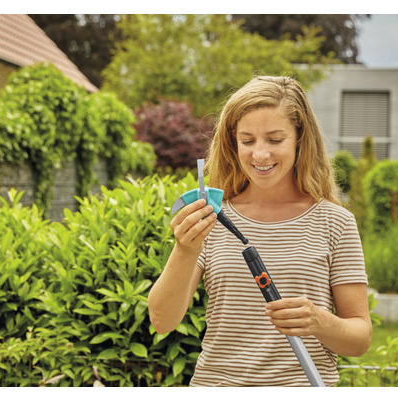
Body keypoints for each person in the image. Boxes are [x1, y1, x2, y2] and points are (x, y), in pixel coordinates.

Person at [148, 76, 372, 386]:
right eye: (248, 140)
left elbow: (360, 339)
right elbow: (162, 321)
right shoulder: (213, 216)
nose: (260, 154)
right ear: (233, 141)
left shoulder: (335, 222)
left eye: (275, 139)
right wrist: (185, 250)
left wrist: (320, 322)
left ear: (299, 138)